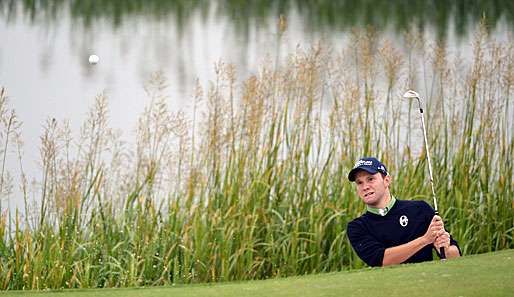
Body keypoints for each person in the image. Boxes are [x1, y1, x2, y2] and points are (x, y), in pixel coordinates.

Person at [346, 157, 461, 267]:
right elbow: (381, 260)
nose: (365, 187)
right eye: (359, 183)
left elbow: (455, 255)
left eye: (370, 179)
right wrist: (425, 240)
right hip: (387, 286)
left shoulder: (420, 209)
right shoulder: (357, 227)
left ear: (386, 180)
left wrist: (446, 249)